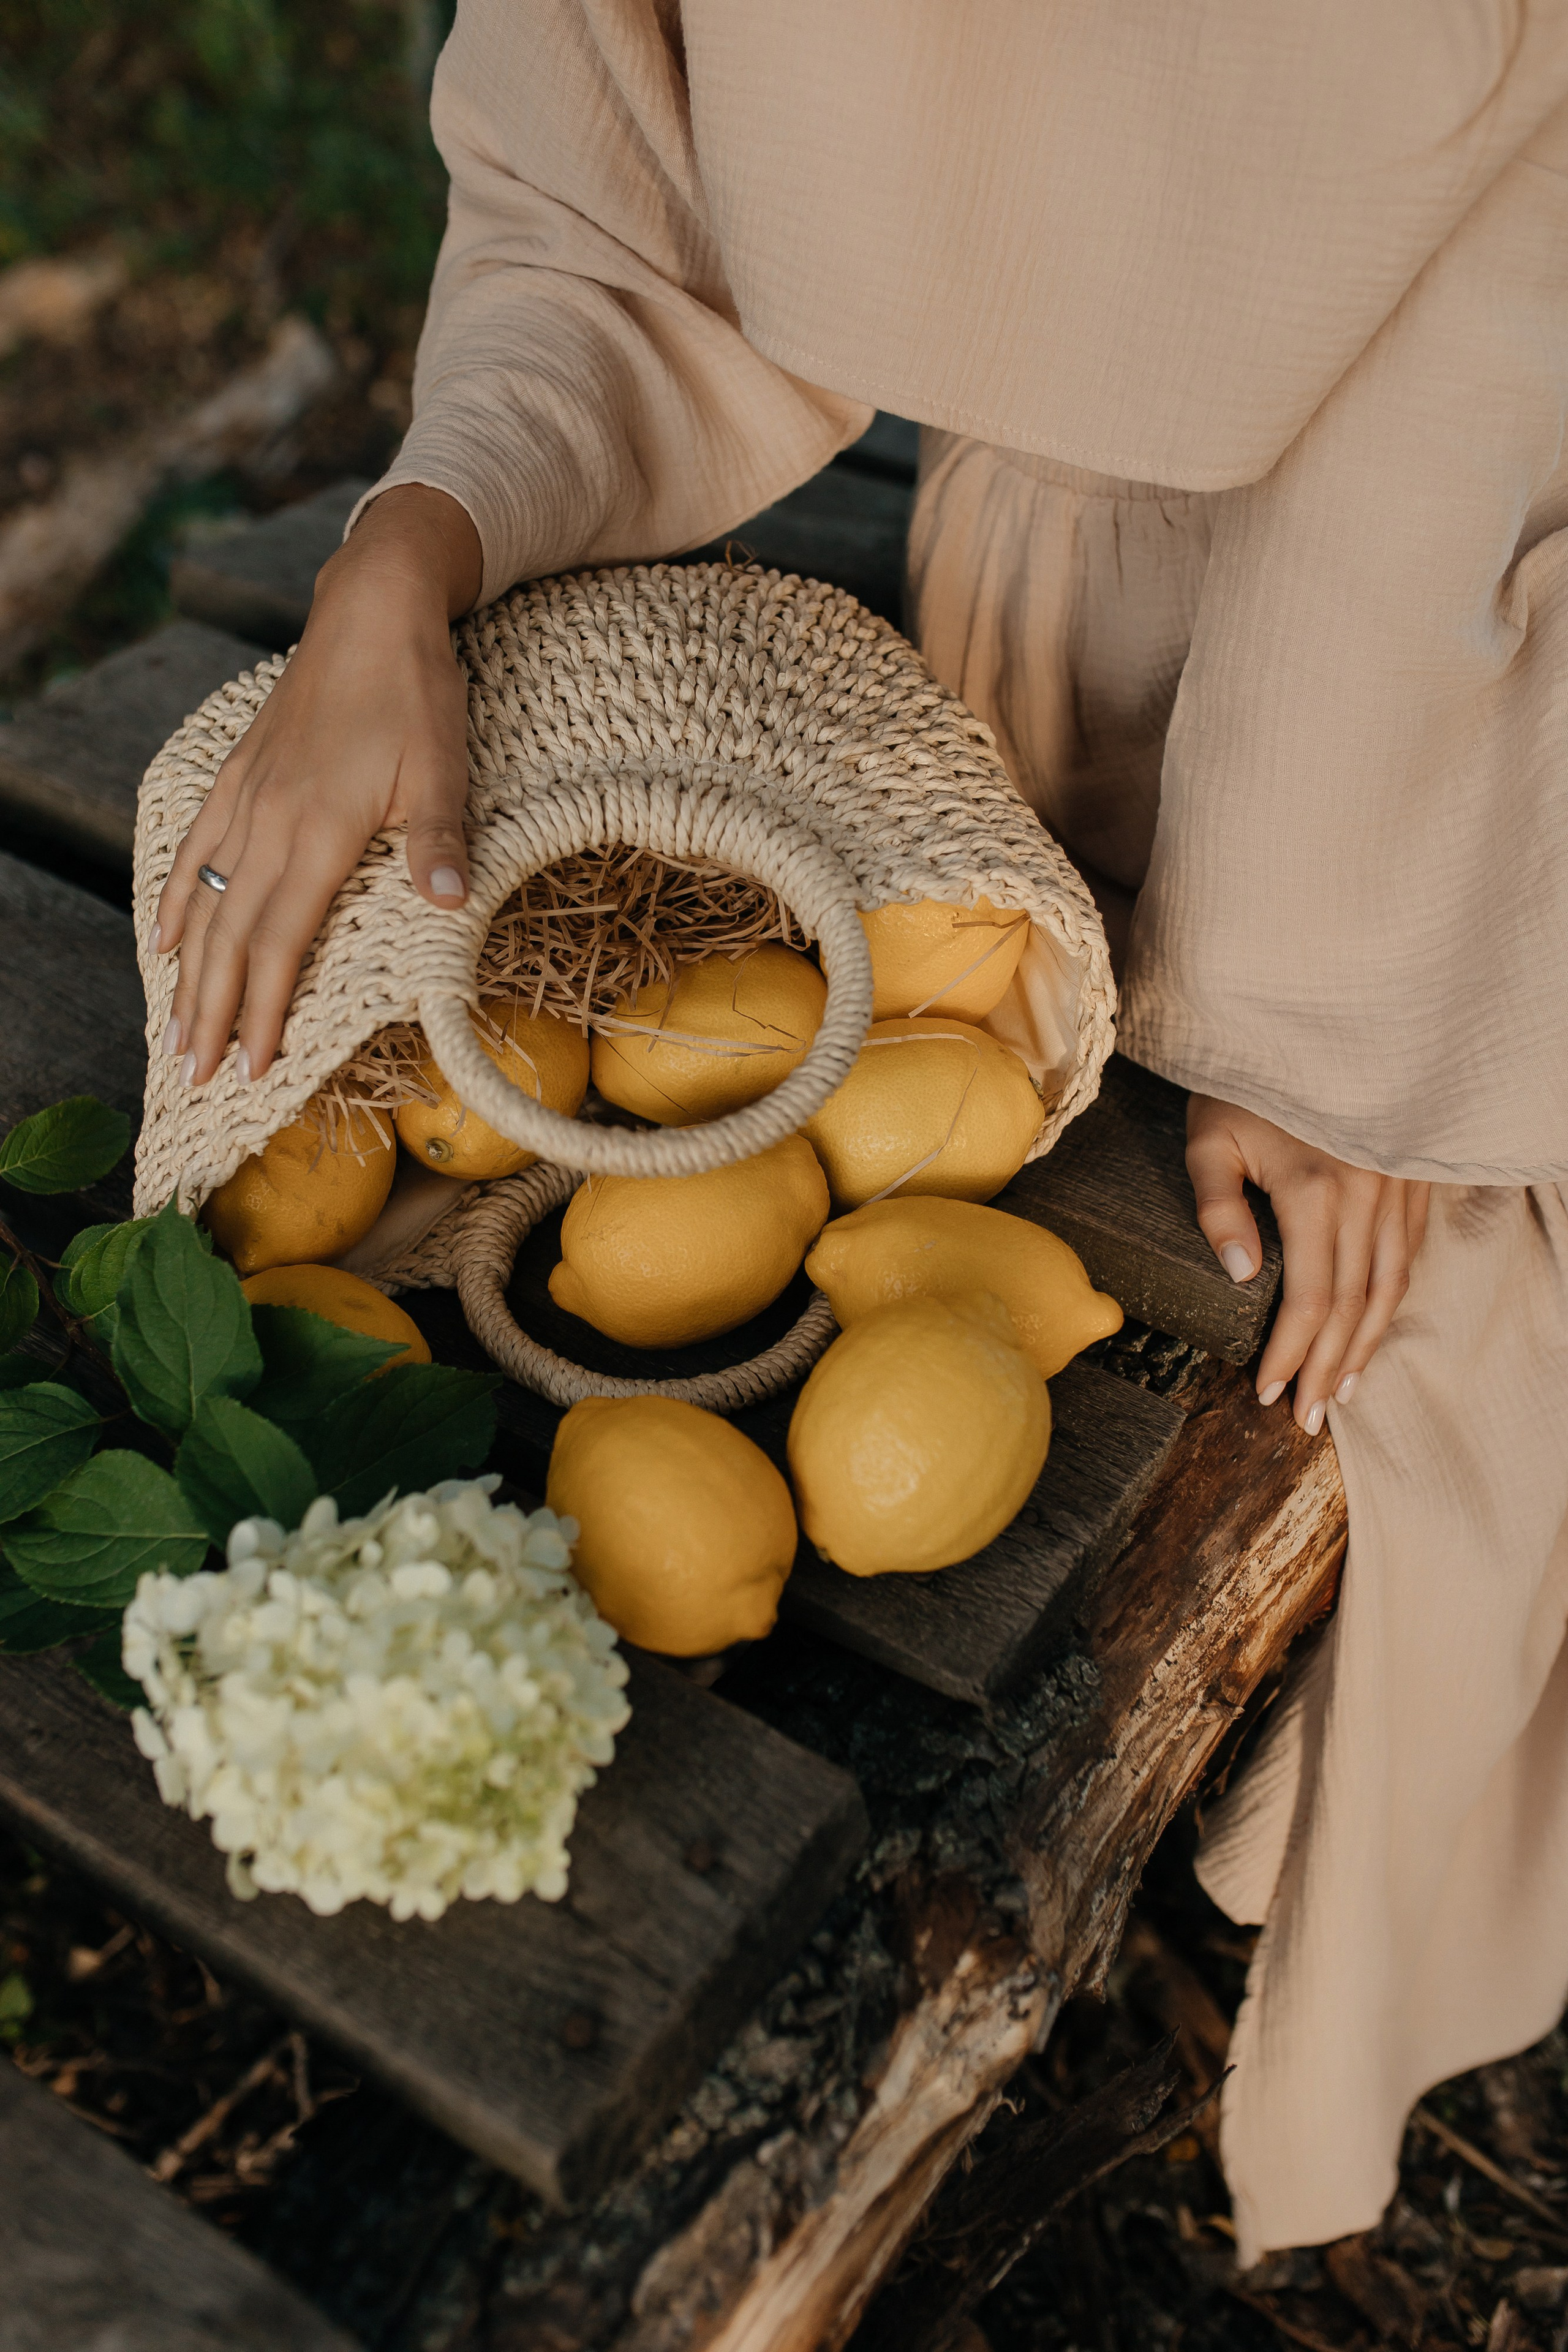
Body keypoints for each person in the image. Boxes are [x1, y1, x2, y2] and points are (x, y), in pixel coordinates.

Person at [149, 1, 1568, 2265]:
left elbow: (1512, 279)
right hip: (1028, 641)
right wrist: (400, 558)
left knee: (1409, 1332)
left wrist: (1344, 975)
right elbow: (604, 170)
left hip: (1446, 660)